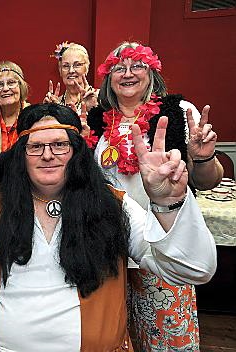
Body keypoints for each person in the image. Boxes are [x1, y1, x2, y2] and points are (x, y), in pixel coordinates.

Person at [0, 103, 217, 351]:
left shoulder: (113, 206)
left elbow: (193, 268)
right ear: (21, 155)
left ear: (77, 152)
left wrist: (169, 202)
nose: (48, 155)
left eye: (60, 145)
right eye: (35, 147)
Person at [86, 42, 224, 351]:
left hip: (162, 245)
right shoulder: (97, 120)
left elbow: (207, 182)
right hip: (110, 250)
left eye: (137, 65)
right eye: (119, 68)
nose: (128, 73)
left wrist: (201, 158)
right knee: (115, 337)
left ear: (152, 73)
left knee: (168, 339)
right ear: (109, 77)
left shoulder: (178, 112)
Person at [43, 42, 98, 114]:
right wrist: (47, 112)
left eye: (77, 65)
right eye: (66, 66)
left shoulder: (100, 97)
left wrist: (94, 109)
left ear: (86, 68)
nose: (71, 70)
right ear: (60, 70)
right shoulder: (55, 103)